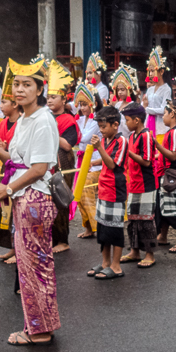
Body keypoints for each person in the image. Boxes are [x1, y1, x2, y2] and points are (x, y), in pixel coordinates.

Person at [0, 71, 61, 346]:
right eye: (16, 85)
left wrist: (8, 188)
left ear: (39, 89)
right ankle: (40, 326)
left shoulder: (43, 120)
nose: (19, 90)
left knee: (35, 267)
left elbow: (39, 168)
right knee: (30, 266)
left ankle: (39, 330)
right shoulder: (23, 117)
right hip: (25, 196)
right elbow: (21, 160)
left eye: (26, 85)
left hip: (34, 198)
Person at [90, 105, 127, 279]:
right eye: (100, 126)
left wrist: (99, 148)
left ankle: (116, 266)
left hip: (115, 190)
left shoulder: (121, 141)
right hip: (104, 188)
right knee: (103, 228)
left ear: (115, 125)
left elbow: (112, 164)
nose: (101, 130)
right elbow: (104, 159)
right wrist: (93, 163)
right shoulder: (105, 140)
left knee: (114, 230)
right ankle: (105, 263)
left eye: (104, 126)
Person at [121, 103, 159, 268]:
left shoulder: (146, 136)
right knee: (133, 219)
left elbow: (146, 161)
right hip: (133, 182)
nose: (126, 123)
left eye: (127, 120)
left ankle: (149, 254)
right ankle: (135, 250)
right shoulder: (131, 136)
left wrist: (128, 152)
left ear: (137, 120)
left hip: (146, 184)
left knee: (146, 220)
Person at [47, 81, 79, 254]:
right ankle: (51, 238)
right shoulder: (46, 117)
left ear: (63, 99)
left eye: (54, 97)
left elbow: (67, 145)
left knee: (60, 199)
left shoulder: (68, 120)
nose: (50, 101)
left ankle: (62, 240)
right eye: (48, 97)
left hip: (63, 161)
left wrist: (52, 130)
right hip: (48, 162)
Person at [154, 100, 176, 254]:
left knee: (175, 208)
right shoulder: (172, 132)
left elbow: (173, 156)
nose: (163, 117)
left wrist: (157, 146)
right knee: (164, 207)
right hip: (165, 173)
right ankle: (163, 236)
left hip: (171, 174)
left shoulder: (175, 133)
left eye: (165, 113)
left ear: (173, 114)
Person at [0, 94, 21, 262]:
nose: (0, 105)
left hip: (18, 171)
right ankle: (11, 246)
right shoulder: (2, 123)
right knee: (5, 210)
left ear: (15, 104)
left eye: (4, 102)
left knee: (17, 209)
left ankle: (19, 250)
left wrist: (3, 148)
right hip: (6, 169)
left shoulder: (22, 124)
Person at [74, 82, 102, 240]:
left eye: (85, 104)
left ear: (94, 104)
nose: (82, 108)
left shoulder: (97, 121)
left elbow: (81, 138)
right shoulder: (79, 120)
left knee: (85, 192)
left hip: (95, 163)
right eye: (80, 105)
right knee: (78, 193)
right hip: (81, 162)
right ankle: (89, 228)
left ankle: (96, 226)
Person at [143, 48, 172, 136]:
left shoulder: (166, 89)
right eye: (149, 71)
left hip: (160, 125)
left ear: (162, 71)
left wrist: (147, 109)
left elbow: (164, 109)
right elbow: (143, 105)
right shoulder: (150, 89)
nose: (150, 74)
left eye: (153, 71)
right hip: (148, 122)